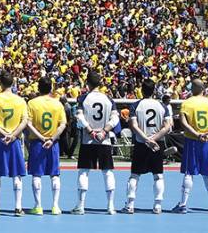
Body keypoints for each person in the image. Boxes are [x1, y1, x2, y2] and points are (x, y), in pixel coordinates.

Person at [173, 79, 208, 214]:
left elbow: (183, 122)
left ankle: (183, 204)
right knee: (207, 171)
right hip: (207, 141)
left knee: (189, 172)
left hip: (192, 141)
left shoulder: (187, 103)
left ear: (195, 88)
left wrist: (196, 133)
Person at [73, 71, 119, 215]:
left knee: (84, 171)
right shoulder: (109, 99)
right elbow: (115, 119)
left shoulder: (83, 98)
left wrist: (90, 130)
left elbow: (79, 117)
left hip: (88, 140)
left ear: (87, 83)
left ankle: (80, 206)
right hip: (104, 140)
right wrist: (104, 131)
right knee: (108, 172)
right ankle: (110, 206)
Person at [124, 78, 172, 215]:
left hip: (141, 143)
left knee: (134, 175)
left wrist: (146, 139)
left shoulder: (136, 105)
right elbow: (167, 126)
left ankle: (130, 205)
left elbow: (133, 125)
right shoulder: (162, 106)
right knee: (158, 176)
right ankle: (157, 205)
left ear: (141, 89)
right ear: (154, 90)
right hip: (157, 144)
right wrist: (154, 139)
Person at [0, 71, 28, 217]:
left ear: (0, 83)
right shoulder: (20, 101)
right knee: (17, 174)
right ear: (13, 83)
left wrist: (4, 133)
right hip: (15, 140)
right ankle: (18, 207)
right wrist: (13, 134)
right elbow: (24, 121)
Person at [27, 77, 67, 216]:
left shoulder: (32, 103)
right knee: (54, 175)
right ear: (51, 88)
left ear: (38, 88)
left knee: (36, 175)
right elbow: (62, 124)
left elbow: (29, 124)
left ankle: (38, 206)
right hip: (53, 143)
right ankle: (55, 206)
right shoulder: (58, 104)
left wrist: (41, 137)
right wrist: (52, 138)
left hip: (37, 143)